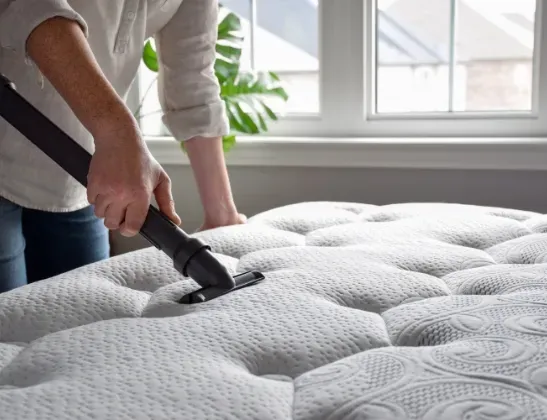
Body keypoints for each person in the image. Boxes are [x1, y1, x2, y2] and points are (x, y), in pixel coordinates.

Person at [0, 0, 245, 293]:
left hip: (78, 174)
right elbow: (31, 7)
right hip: (8, 144)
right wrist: (118, 133)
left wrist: (220, 214)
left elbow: (193, 77)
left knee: (86, 329)